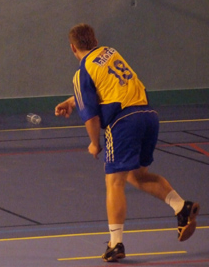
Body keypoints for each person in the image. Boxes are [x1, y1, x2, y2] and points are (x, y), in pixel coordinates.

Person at [55, 24, 199, 263]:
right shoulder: (110, 53)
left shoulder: (82, 73)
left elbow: (91, 116)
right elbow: (106, 87)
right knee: (137, 176)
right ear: (95, 41)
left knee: (114, 182)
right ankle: (181, 207)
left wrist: (94, 143)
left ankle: (115, 244)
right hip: (148, 115)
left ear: (72, 48)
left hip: (124, 121)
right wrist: (73, 100)